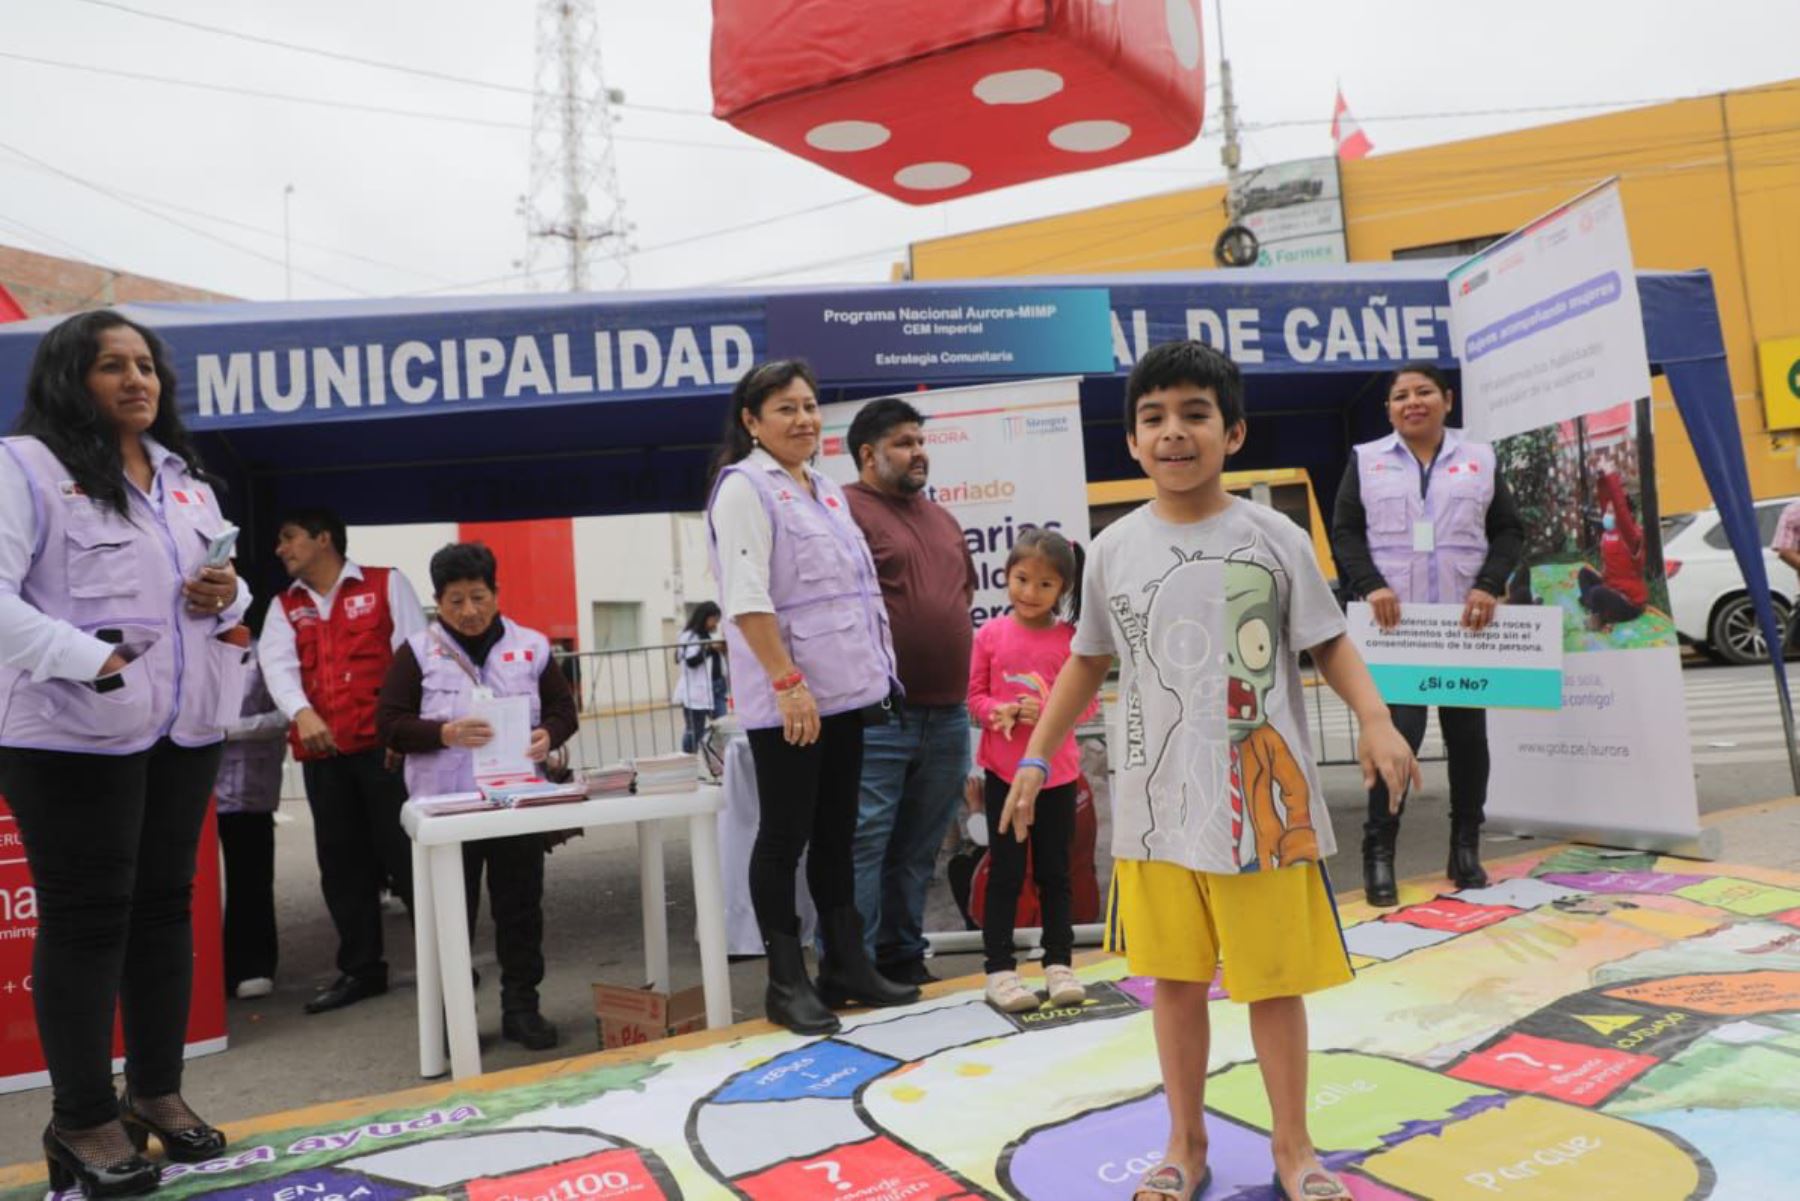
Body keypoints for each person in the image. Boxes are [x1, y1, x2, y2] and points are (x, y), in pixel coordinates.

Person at [1002, 341, 1419, 1201]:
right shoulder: (1111, 549)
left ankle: (1294, 1147)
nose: (1173, 432)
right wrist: (1036, 756)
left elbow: (1329, 640)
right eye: (1152, 418)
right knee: (1177, 985)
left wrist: (1375, 719)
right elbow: (1085, 661)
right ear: (1130, 442)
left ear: (1232, 432)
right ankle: (1185, 1142)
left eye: (1194, 414)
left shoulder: (1273, 536)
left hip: (1264, 809)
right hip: (1156, 813)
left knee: (1273, 986)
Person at [0, 310, 250, 1193]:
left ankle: (156, 1092)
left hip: (180, 726)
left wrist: (228, 587)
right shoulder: (23, 466)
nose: (137, 380)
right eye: (113, 366)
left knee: (163, 908)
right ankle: (81, 1119)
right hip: (72, 732)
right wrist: (90, 658)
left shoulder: (185, 480)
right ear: (73, 377)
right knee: (87, 917)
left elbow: (225, 583)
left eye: (146, 365)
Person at [705, 359, 919, 1035]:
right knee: (783, 838)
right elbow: (746, 595)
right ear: (752, 422)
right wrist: (786, 682)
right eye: (785, 409)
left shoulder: (824, 488)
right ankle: (784, 979)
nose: (803, 419)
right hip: (791, 696)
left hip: (846, 690)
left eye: (809, 405)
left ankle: (845, 964)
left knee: (835, 834)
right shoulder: (745, 488)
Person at [1331, 362, 1523, 905]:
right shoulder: (1366, 461)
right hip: (1397, 633)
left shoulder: (1480, 459)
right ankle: (1379, 854)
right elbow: (1344, 532)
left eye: (1422, 392)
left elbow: (1509, 529)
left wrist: (1489, 584)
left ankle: (1465, 849)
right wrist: (1369, 586)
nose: (1411, 402)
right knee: (1397, 740)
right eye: (1399, 396)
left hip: (1464, 629)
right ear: (1389, 408)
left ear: (1446, 399)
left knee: (1468, 742)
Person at [376, 542, 578, 1050]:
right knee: (449, 916)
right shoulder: (417, 653)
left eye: (478, 597)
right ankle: (454, 1019)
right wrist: (442, 734)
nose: (469, 612)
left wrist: (548, 735)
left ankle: (522, 1008)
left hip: (514, 804)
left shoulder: (530, 647)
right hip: (448, 811)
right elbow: (389, 724)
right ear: (437, 603)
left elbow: (563, 708)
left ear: (496, 593)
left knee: (520, 909)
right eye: (455, 601)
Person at [258, 506, 426, 1014]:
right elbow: (277, 667)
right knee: (342, 864)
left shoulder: (386, 584)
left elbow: (414, 657)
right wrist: (302, 712)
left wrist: (404, 728)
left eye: (289, 537)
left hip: (386, 752)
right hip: (324, 755)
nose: (280, 549)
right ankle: (361, 969)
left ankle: (449, 959)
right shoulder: (284, 607)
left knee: (409, 856)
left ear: (323, 538)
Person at [842, 396, 978, 984]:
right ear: (868, 455)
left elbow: (960, 599)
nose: (918, 452)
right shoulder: (842, 511)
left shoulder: (942, 519)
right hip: (878, 714)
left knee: (920, 846)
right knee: (866, 841)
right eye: (903, 442)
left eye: (920, 441)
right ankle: (854, 966)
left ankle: (901, 955)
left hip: (947, 713)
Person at [966, 527, 1096, 1013]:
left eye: (1045, 585)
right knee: (1007, 871)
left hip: (1057, 777)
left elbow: (1082, 708)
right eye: (1022, 579)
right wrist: (996, 711)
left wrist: (1048, 713)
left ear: (1062, 589)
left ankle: (1059, 963)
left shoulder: (1072, 642)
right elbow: (974, 698)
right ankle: (999, 970)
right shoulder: (990, 635)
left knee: (1055, 872)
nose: (1031, 592)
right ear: (1005, 577)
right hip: (1003, 773)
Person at [215, 617, 288, 1001]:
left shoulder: (263, 653)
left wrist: (230, 728)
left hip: (248, 786)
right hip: (190, 786)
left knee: (250, 877)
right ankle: (206, 966)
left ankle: (253, 964)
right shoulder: (188, 652)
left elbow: (286, 714)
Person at [1578, 469, 1647, 631]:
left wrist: (1611, 476)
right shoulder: (1610, 531)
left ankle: (1598, 616)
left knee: (1596, 593)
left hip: (1629, 603)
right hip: (1612, 589)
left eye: (1611, 512)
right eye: (1607, 512)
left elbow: (1620, 508)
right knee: (1584, 574)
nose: (1606, 515)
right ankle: (1597, 608)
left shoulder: (1632, 536)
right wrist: (1602, 480)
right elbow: (1606, 502)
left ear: (1625, 517)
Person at [674, 601, 728, 754]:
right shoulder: (689, 636)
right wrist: (710, 648)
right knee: (694, 730)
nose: (716, 623)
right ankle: (688, 759)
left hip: (717, 686)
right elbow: (690, 661)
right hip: (697, 689)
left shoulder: (709, 635)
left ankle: (717, 762)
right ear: (705, 617)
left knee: (722, 727)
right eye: (714, 619)